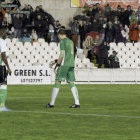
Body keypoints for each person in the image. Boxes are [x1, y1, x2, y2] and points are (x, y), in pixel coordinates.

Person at [46, 29, 80, 108]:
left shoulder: (62, 41)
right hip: (71, 64)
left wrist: (58, 63)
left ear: (60, 35)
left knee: (57, 82)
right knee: (71, 83)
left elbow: (62, 54)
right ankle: (77, 103)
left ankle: (51, 103)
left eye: (58, 36)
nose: (58, 37)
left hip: (64, 64)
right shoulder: (70, 41)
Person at [0, 28, 12, 111]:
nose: (6, 35)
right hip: (1, 66)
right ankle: (2, 106)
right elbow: (3, 55)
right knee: (3, 84)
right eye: (4, 33)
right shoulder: (2, 41)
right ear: (1, 33)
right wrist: (8, 67)